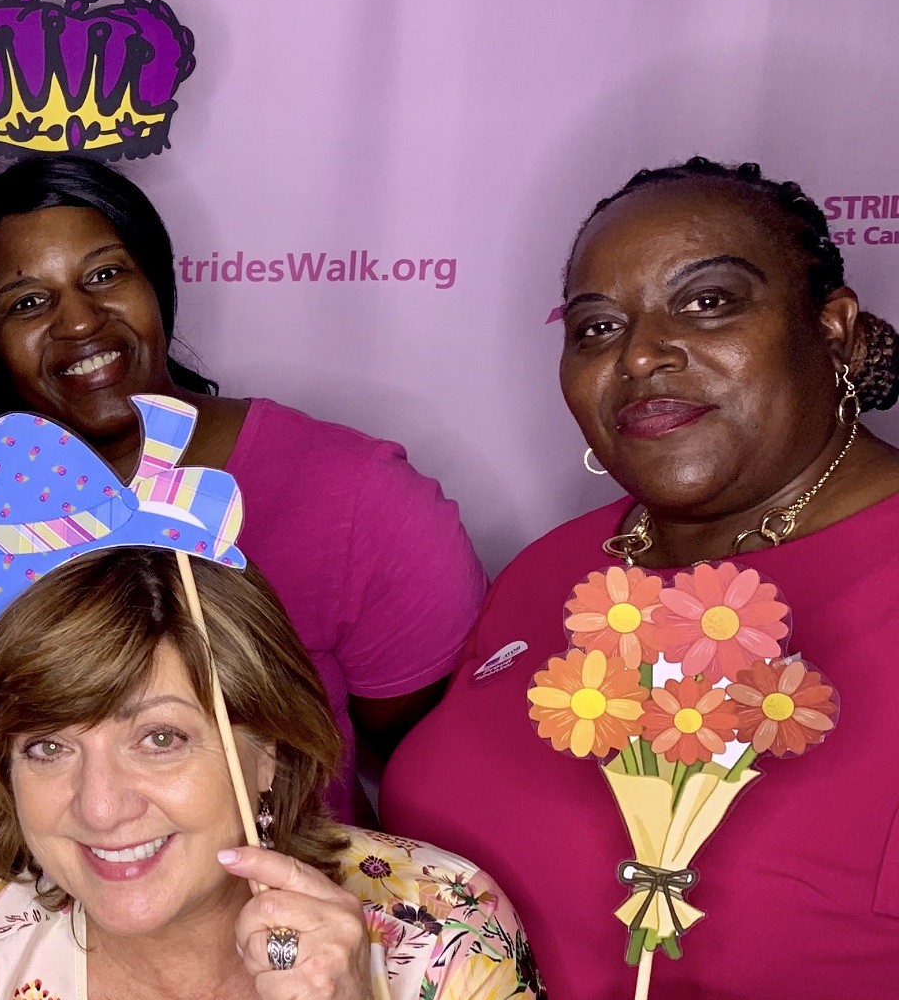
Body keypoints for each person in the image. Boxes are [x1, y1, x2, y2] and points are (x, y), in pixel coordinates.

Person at [385, 158, 899, 997]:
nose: (642, 354)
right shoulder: (548, 569)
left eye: (708, 302)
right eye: (595, 327)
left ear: (833, 329)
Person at [0, 157, 484, 821]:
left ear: (157, 286)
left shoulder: (359, 499)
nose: (78, 321)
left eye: (104, 274)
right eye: (28, 301)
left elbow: (437, 770)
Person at [0, 547, 542, 1000]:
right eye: (48, 747)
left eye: (160, 737)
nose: (102, 806)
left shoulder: (446, 928)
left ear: (268, 750)